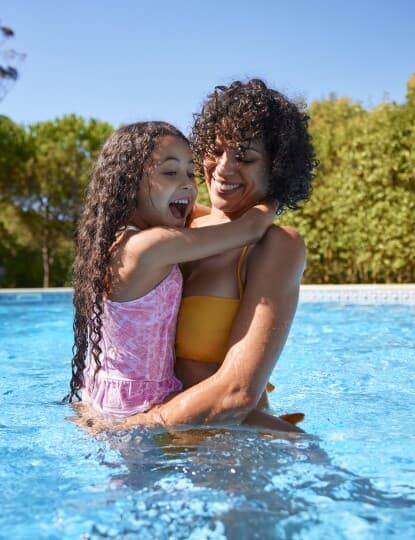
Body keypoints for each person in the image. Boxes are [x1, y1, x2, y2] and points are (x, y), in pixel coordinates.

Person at [133, 79, 316, 431]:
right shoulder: (179, 221)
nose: (223, 169)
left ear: (277, 167)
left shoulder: (275, 246)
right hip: (161, 442)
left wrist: (135, 427)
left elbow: (237, 394)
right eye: (215, 150)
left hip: (228, 446)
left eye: (245, 158)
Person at [67, 121, 279, 418]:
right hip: (140, 408)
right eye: (170, 172)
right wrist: (277, 187)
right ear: (128, 185)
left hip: (104, 396)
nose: (189, 185)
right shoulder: (151, 247)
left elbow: (206, 215)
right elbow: (251, 228)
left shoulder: (118, 242)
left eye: (191, 172)